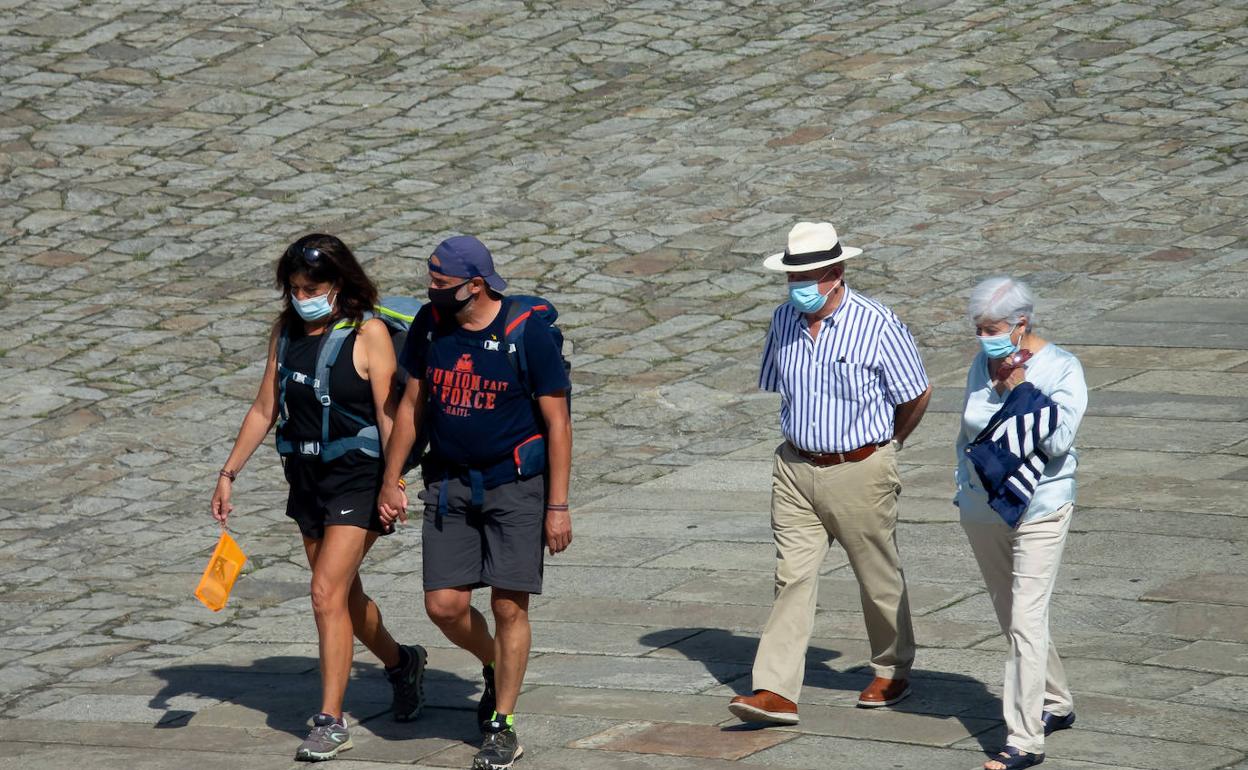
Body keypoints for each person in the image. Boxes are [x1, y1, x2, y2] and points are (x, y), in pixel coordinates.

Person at [211, 234, 427, 762]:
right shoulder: (285, 331)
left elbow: (389, 415)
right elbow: (265, 408)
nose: (302, 297)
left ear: (339, 284)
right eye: (295, 288)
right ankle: (402, 663)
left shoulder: (369, 333)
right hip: (306, 476)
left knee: (325, 592)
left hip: (359, 476)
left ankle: (330, 721)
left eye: (312, 288)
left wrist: (393, 480)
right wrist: (228, 473)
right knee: (343, 596)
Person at [377, 235, 572, 770]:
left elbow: (557, 422)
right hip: (449, 483)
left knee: (509, 606)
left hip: (516, 485)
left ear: (476, 285)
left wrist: (558, 506)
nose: (431, 290)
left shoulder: (526, 333)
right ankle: (493, 663)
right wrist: (391, 477)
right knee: (443, 605)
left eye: (441, 283)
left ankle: (502, 725)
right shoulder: (430, 324)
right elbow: (412, 405)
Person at [729, 221, 932, 726]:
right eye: (791, 277)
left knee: (877, 575)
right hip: (795, 467)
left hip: (859, 468)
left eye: (808, 277)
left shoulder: (877, 323)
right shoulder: (783, 320)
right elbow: (779, 385)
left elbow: (916, 393)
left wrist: (888, 445)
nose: (797, 286)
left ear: (836, 273)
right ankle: (775, 689)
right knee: (791, 577)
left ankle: (892, 667)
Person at [956, 276, 1087, 770]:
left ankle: (1024, 739)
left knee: (1026, 621)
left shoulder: (1062, 368)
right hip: (983, 506)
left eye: (990, 329)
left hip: (1040, 507)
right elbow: (969, 428)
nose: (982, 338)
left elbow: (1057, 442)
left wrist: (1023, 389)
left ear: (1020, 324)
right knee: (1013, 616)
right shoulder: (982, 363)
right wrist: (961, 486)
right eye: (978, 329)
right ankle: (1056, 702)